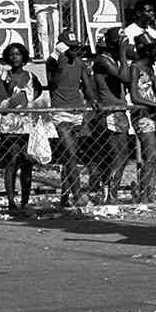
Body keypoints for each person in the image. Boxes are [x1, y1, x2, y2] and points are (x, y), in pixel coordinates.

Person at [46, 31, 99, 209]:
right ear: (63, 47)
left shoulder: (80, 63)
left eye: (77, 47)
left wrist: (91, 99)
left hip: (77, 111)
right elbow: (53, 81)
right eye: (72, 47)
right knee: (71, 154)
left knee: (69, 156)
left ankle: (64, 195)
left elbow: (86, 84)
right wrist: (60, 56)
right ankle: (77, 195)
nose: (76, 50)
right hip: (61, 111)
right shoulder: (53, 62)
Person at [0, 43, 41, 213]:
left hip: (26, 123)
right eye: (12, 54)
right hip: (10, 123)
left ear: (24, 57)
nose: (15, 57)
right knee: (12, 160)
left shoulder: (31, 75)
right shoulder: (3, 75)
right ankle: (11, 200)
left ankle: (25, 200)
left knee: (27, 161)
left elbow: (38, 91)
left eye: (18, 54)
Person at [90, 28, 131, 205]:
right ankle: (110, 194)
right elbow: (125, 77)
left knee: (118, 155)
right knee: (120, 155)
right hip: (111, 112)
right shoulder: (102, 61)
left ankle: (109, 192)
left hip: (118, 110)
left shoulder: (111, 60)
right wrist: (123, 53)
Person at [129, 38, 156, 204]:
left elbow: (152, 92)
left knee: (153, 156)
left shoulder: (150, 68)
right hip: (141, 115)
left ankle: (149, 194)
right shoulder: (135, 68)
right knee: (150, 155)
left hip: (153, 114)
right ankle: (144, 195)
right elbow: (135, 97)